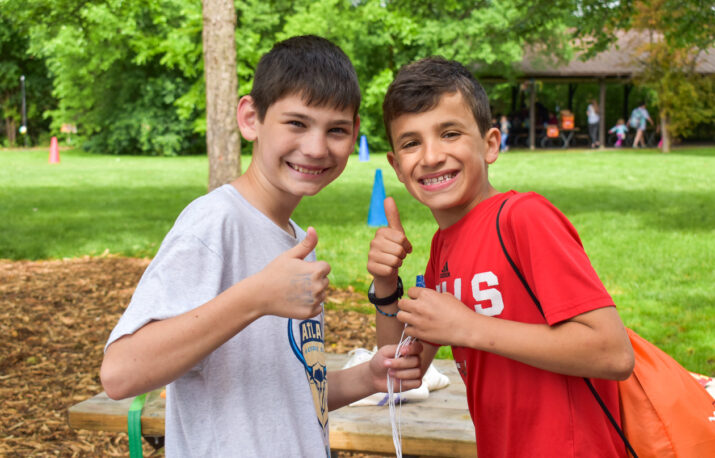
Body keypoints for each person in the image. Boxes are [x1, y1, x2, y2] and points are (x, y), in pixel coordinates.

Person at [100, 35, 423, 457]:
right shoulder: (215, 223)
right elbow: (120, 373)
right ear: (251, 117)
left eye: (337, 130)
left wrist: (368, 378)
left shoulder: (290, 238)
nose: (316, 147)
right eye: (296, 123)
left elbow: (287, 393)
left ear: (355, 134)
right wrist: (255, 297)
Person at [368, 56, 635, 457]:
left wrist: (466, 327)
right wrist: (386, 286)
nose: (431, 156)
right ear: (397, 167)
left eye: (450, 133)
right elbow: (403, 371)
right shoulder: (441, 249)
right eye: (411, 143)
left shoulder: (523, 218)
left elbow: (613, 353)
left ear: (490, 144)